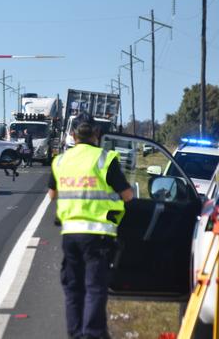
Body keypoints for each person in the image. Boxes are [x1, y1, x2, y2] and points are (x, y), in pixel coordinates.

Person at [48, 112, 134, 339]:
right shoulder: (105, 159)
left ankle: (76, 334)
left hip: (70, 234)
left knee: (73, 289)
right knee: (95, 287)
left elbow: (51, 194)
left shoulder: (61, 160)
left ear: (72, 134)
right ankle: (93, 335)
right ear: (97, 133)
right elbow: (127, 195)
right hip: (98, 234)